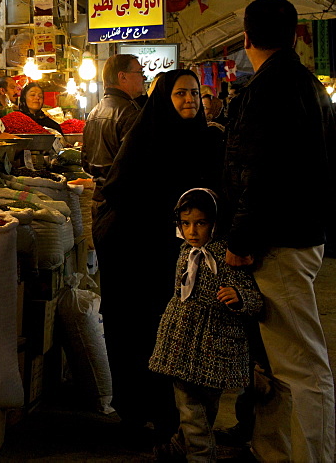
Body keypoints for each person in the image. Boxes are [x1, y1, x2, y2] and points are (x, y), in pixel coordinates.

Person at [222, 0, 336, 462]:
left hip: (280, 242)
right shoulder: (307, 86)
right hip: (301, 232)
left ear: (246, 38)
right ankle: (274, 450)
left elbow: (260, 175)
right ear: (297, 36)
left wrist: (240, 241)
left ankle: (312, 456)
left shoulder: (268, 91)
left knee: (301, 365)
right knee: (277, 363)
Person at [93, 69, 224, 444]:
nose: (189, 101)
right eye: (181, 93)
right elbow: (118, 191)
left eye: (195, 94)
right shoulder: (143, 138)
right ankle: (134, 415)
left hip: (185, 258)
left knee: (179, 337)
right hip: (138, 255)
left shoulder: (206, 141)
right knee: (138, 331)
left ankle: (174, 419)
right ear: (165, 97)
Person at [149, 188, 263, 462]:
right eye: (186, 224)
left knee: (205, 406)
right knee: (189, 405)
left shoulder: (225, 256)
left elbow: (254, 296)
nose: (192, 231)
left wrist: (239, 297)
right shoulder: (185, 252)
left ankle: (180, 444)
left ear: (215, 223)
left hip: (215, 343)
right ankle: (200, 455)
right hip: (180, 341)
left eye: (200, 223)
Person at [81, 54, 147, 202]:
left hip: (99, 198)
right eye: (139, 72)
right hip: (123, 202)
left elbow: (85, 162)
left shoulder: (93, 113)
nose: (143, 78)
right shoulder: (130, 113)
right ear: (122, 77)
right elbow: (136, 164)